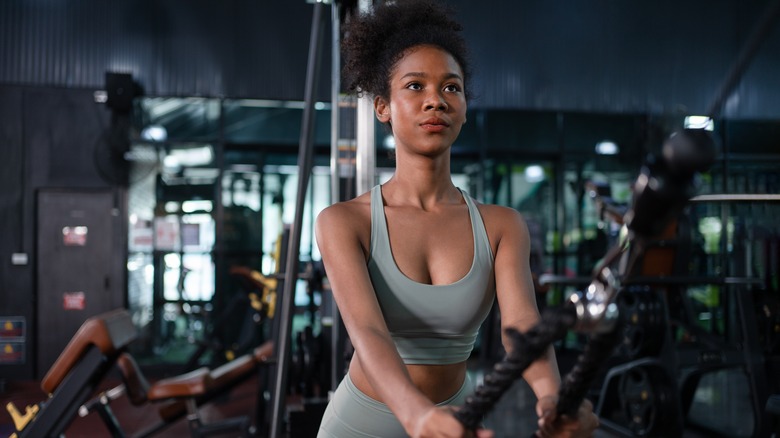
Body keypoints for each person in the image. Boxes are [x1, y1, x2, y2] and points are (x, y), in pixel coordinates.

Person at [314, 1, 599, 436]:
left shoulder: (501, 226)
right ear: (382, 107)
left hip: (456, 421)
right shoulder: (342, 222)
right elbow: (369, 332)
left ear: (465, 108)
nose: (436, 101)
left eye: (452, 88)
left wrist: (550, 397)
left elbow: (521, 327)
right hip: (362, 423)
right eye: (414, 86)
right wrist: (417, 415)